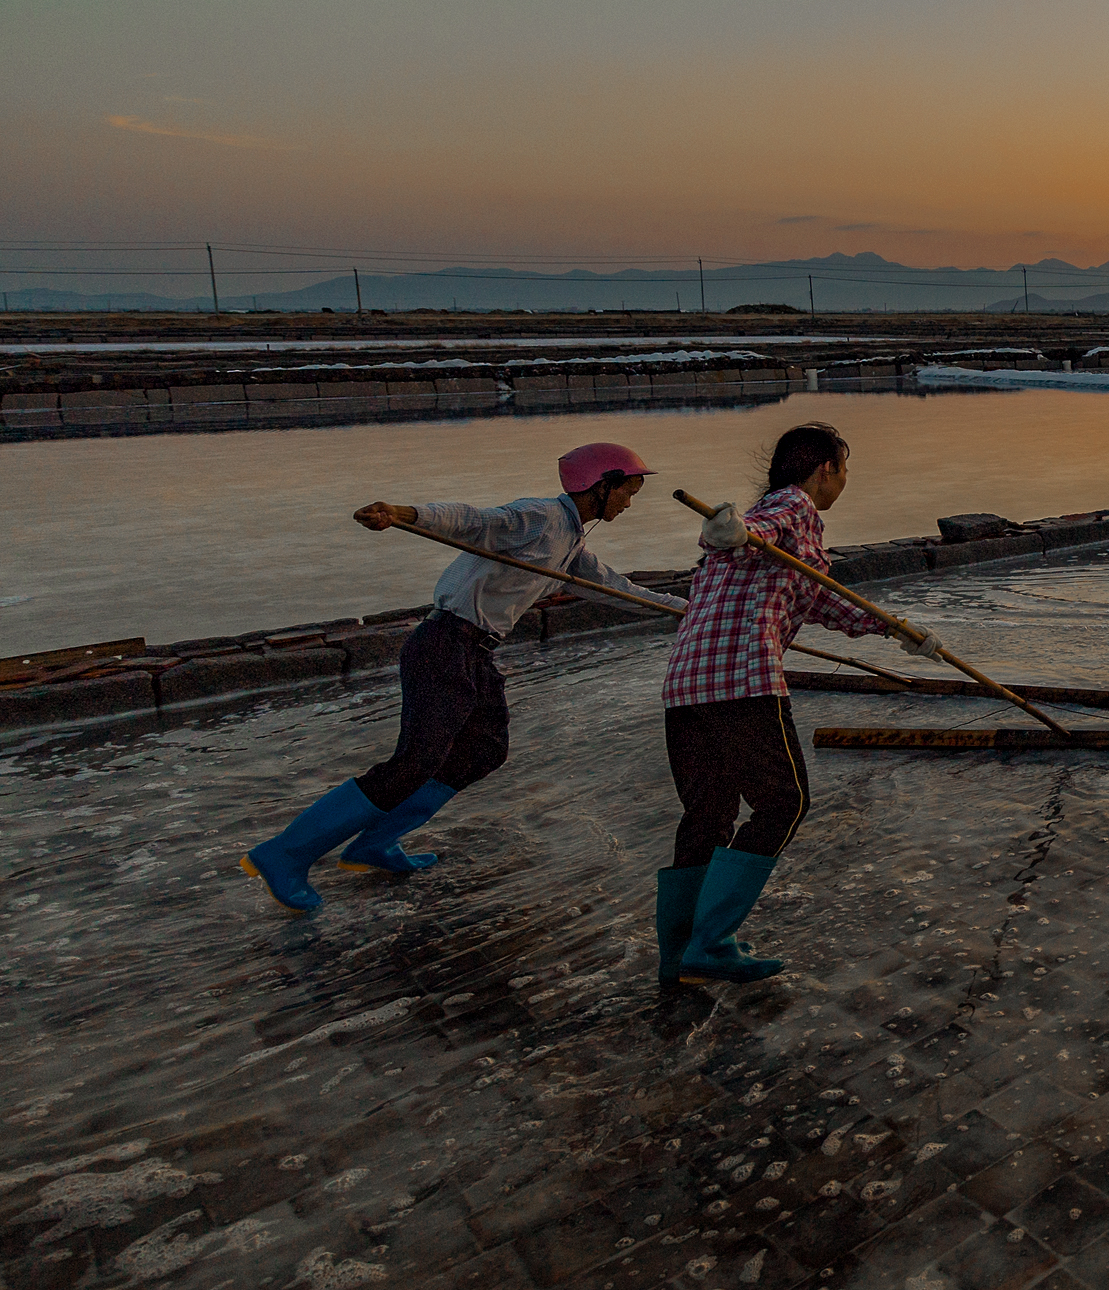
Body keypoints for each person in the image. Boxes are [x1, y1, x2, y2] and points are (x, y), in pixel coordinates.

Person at [240, 443, 686, 912]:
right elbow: (474, 520)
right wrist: (404, 514)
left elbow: (619, 589)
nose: (629, 503)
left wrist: (692, 612)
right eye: (628, 492)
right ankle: (284, 854)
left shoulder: (570, 543)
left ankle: (374, 844)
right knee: (415, 761)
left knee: (483, 749)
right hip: (443, 643)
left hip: (475, 652)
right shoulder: (540, 517)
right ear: (601, 485)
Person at [654, 422, 940, 985]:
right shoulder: (793, 507)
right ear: (825, 469)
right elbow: (747, 533)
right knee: (784, 802)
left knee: (708, 815)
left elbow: (821, 603)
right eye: (845, 469)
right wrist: (729, 531)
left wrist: (896, 630)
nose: (844, 481)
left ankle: (679, 955)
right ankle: (709, 943)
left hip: (687, 689)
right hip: (741, 682)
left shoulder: (778, 540)